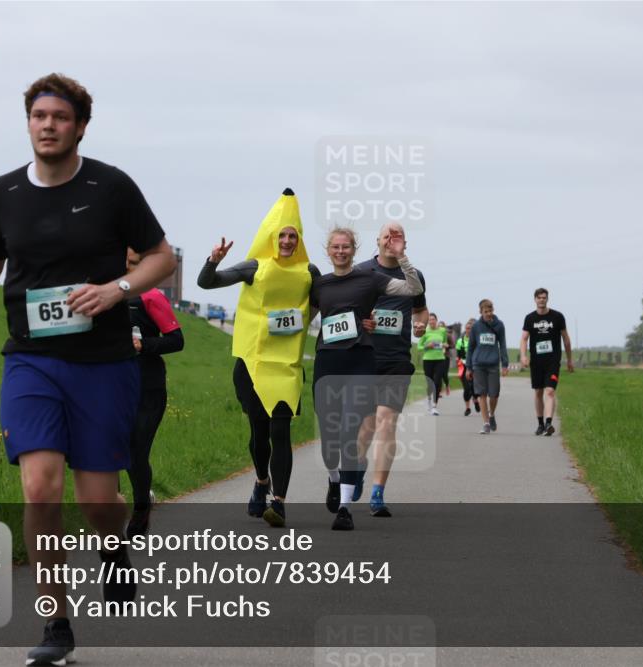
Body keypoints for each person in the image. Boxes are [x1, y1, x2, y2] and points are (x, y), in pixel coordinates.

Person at [0, 73, 176, 667]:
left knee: (99, 502)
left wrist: (116, 289)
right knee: (39, 487)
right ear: (28, 122)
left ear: (80, 126)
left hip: (103, 364)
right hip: (31, 359)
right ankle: (56, 622)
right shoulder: (4, 192)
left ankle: (114, 551)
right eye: (39, 116)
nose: (48, 126)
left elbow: (161, 256)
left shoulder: (112, 187)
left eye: (60, 117)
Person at [197, 188, 331, 528]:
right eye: (282, 235)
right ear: (272, 237)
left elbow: (326, 303)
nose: (287, 241)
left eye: (292, 236)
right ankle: (261, 480)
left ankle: (280, 502)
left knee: (281, 431)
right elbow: (206, 283)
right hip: (252, 364)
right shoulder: (255, 266)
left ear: (299, 239)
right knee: (259, 433)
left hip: (285, 366)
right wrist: (214, 259)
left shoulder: (309, 271)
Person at [312, 227, 422, 530]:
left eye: (346, 246)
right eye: (336, 247)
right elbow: (302, 322)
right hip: (327, 362)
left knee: (350, 428)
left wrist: (402, 257)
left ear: (354, 248)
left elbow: (411, 289)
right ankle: (335, 479)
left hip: (362, 360)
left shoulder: (369, 278)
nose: (341, 251)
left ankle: (346, 507)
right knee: (329, 440)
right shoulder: (319, 285)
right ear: (328, 250)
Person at [354, 222, 427, 518]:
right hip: (365, 357)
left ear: (404, 243)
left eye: (397, 237)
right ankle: (356, 470)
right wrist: (362, 321)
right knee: (366, 426)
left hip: (396, 360)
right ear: (378, 241)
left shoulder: (414, 276)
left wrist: (420, 325)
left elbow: (421, 308)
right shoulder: (361, 272)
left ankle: (377, 492)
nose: (391, 241)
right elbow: (344, 309)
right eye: (387, 236)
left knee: (387, 421)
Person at [125, 248, 185, 539]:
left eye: (134, 261)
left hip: (148, 387)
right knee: (109, 452)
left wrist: (144, 345)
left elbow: (176, 340)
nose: (127, 265)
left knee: (136, 452)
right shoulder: (103, 295)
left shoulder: (151, 296)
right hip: (111, 387)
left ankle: (140, 511)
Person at [520, 287, 574, 436]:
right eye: (539, 298)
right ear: (535, 299)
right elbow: (524, 339)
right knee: (538, 392)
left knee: (549, 391)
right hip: (536, 361)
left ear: (547, 299)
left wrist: (569, 359)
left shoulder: (557, 317)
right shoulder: (529, 318)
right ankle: (540, 423)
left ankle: (549, 423)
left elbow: (566, 339)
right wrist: (523, 356)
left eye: (544, 297)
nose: (541, 300)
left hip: (553, 360)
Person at [466, 299, 509, 435]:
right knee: (482, 394)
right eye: (486, 312)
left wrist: (505, 364)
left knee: (494, 394)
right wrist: (468, 367)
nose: (489, 314)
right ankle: (485, 424)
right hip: (478, 364)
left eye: (490, 311)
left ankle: (491, 414)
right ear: (481, 312)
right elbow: (471, 348)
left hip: (493, 365)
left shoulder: (499, 325)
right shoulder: (476, 327)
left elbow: (502, 345)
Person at [417, 314, 447, 416]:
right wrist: (427, 345)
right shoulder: (425, 331)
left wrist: (444, 345)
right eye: (429, 320)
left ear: (436, 320)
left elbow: (445, 343)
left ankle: (434, 406)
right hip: (428, 359)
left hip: (440, 359)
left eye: (433, 319)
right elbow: (419, 347)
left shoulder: (442, 331)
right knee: (430, 382)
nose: (431, 321)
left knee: (437, 382)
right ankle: (429, 400)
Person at [456, 318, 481, 417]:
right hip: (463, 367)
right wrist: (459, 360)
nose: (468, 330)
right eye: (467, 328)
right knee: (467, 388)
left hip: (475, 367)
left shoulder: (477, 341)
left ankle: (475, 400)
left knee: (474, 388)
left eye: (470, 328)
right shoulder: (460, 341)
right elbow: (458, 355)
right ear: (465, 329)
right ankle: (467, 408)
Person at [439, 320, 454, 397]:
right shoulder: (436, 335)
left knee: (444, 374)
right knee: (438, 374)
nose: (440, 327)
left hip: (445, 356)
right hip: (437, 356)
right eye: (439, 326)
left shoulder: (448, 335)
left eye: (442, 326)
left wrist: (447, 346)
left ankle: (447, 385)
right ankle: (439, 392)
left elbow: (453, 345)